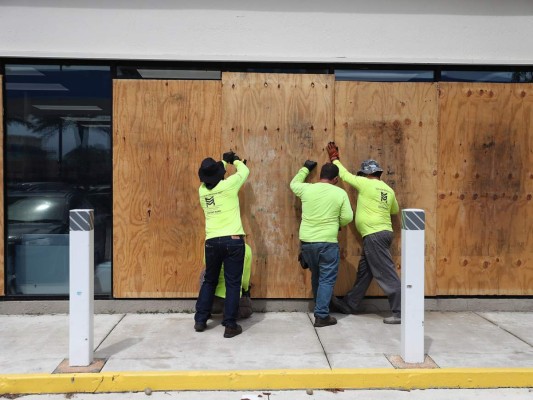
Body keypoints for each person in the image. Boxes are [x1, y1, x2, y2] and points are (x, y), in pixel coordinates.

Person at [326, 142, 401, 324]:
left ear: (367, 174)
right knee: (365, 272)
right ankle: (351, 304)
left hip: (374, 235)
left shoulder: (366, 184)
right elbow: (394, 210)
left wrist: (335, 159)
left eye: (362, 174)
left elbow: (343, 175)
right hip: (381, 233)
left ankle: (401, 312)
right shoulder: (388, 190)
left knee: (386, 273)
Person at [290, 160, 354, 327]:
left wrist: (305, 168)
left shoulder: (307, 189)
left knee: (317, 277)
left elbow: (293, 184)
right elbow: (348, 217)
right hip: (327, 242)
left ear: (320, 176)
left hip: (307, 243)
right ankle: (321, 315)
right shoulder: (339, 193)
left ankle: (320, 309)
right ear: (335, 179)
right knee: (326, 279)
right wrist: (337, 223)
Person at [195, 151, 249, 338]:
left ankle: (200, 320)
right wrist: (234, 160)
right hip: (232, 241)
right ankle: (230, 325)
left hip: (211, 242)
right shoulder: (230, 185)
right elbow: (244, 170)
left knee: (210, 280)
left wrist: (224, 162)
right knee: (233, 284)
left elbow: (214, 176)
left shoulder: (202, 191)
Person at [199, 243, 253, 319]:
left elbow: (206, 263)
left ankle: (204, 309)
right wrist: (246, 290)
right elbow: (244, 281)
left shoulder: (210, 244)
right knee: (248, 307)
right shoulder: (246, 248)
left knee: (205, 272)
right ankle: (231, 313)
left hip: (211, 302)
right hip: (232, 299)